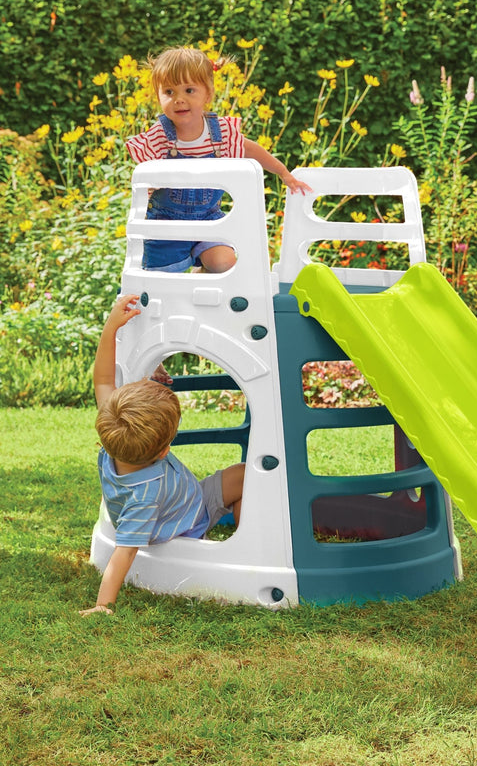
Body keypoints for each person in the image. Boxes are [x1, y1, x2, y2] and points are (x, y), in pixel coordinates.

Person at [79, 293, 246, 616]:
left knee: (240, 475)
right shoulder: (145, 496)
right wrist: (103, 605)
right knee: (246, 478)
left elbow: (102, 378)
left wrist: (111, 328)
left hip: (181, 499)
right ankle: (244, 546)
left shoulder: (113, 430)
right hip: (189, 518)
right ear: (165, 450)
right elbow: (125, 552)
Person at [126, 45, 312, 274]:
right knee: (157, 280)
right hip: (167, 224)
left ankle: (202, 275)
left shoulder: (220, 132)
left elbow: (252, 150)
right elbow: (144, 172)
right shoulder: (159, 135)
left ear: (208, 94)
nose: (179, 99)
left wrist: (283, 173)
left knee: (224, 264)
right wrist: (151, 185)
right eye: (169, 92)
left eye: (189, 90)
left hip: (209, 220)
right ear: (158, 96)